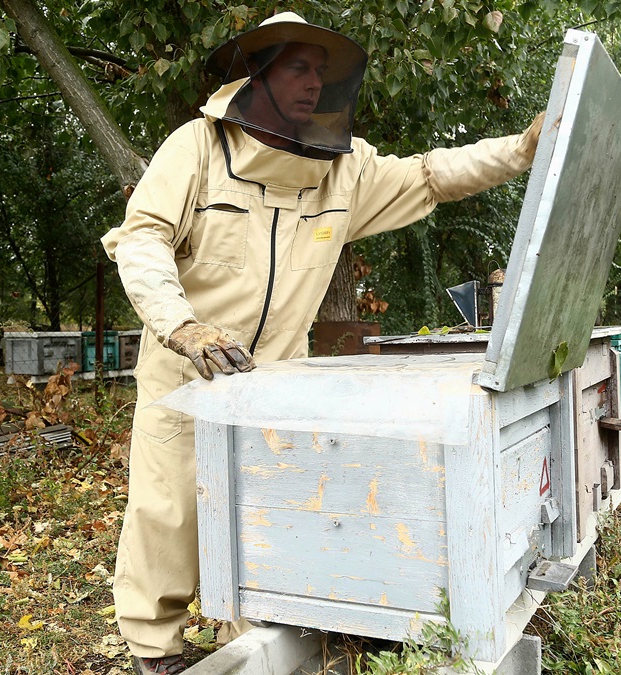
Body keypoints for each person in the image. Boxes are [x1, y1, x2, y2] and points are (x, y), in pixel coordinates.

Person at [100, 12, 545, 675]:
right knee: (167, 510)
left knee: (273, 513)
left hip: (278, 382)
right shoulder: (195, 148)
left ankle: (264, 634)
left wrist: (522, 150)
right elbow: (142, 238)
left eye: (321, 71)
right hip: (182, 368)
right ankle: (154, 648)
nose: (312, 83)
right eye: (296, 67)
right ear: (260, 72)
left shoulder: (346, 169)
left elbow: (429, 175)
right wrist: (182, 325)